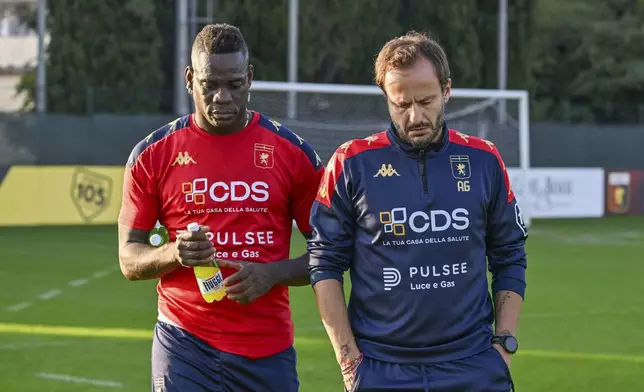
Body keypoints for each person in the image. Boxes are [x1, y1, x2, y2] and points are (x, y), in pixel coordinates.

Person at [307, 31, 528, 392]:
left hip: (473, 365)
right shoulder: (352, 162)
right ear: (386, 98)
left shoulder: (484, 159)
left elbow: (510, 255)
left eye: (426, 100)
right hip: (381, 369)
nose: (415, 116)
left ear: (447, 90)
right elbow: (324, 264)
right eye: (401, 104)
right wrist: (349, 362)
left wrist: (504, 343)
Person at [117, 23, 324, 392]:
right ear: (189, 79)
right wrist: (173, 253)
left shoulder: (294, 155)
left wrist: (272, 273)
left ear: (250, 78)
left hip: (267, 349)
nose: (222, 97)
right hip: (183, 343)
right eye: (209, 85)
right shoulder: (151, 155)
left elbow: (330, 254)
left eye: (233, 84)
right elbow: (129, 259)